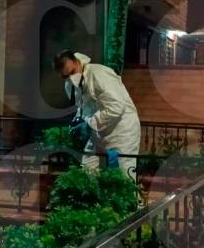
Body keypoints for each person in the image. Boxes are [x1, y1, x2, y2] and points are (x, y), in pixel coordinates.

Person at [54, 50, 141, 178]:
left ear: (77, 62)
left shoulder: (99, 74)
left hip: (122, 130)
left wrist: (89, 124)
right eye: (65, 76)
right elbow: (83, 107)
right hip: (97, 131)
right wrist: (77, 122)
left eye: (72, 72)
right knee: (88, 173)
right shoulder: (70, 86)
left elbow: (116, 106)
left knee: (124, 175)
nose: (71, 78)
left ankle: (130, 198)